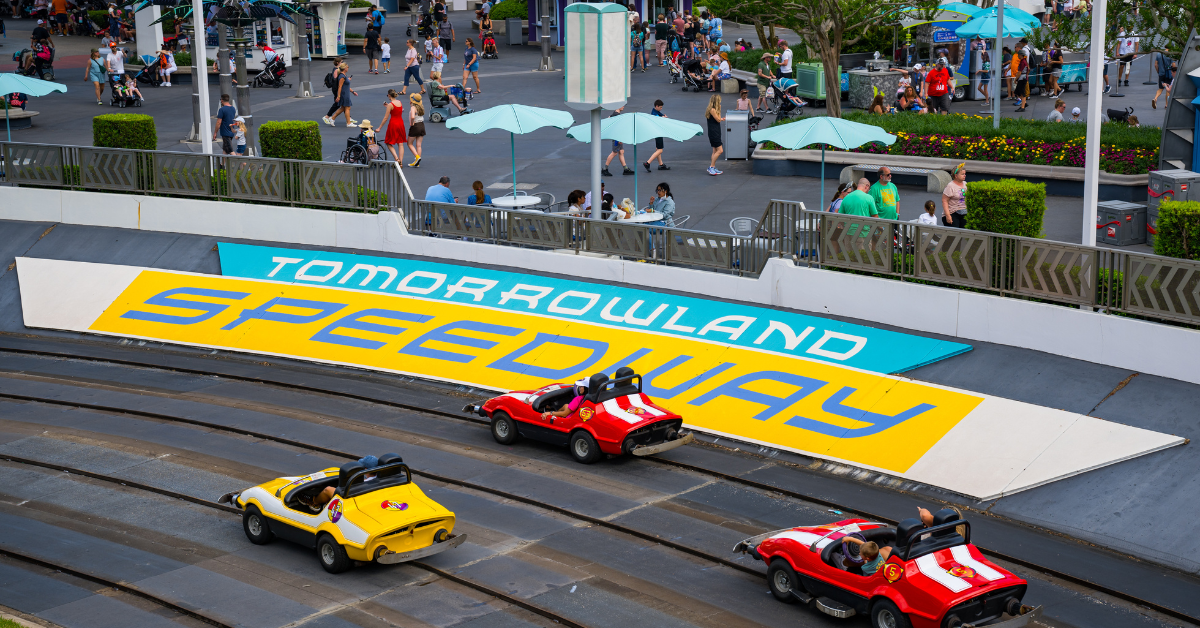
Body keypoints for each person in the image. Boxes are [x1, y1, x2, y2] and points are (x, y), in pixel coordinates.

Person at [602, 106, 632, 176]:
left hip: (616, 136)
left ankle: (625, 169)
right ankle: (605, 169)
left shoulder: (614, 114)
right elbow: (618, 128)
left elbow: (609, 119)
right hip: (616, 137)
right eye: (623, 105)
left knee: (621, 151)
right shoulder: (617, 116)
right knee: (614, 152)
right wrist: (619, 138)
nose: (624, 107)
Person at [380, 89, 408, 163]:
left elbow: (385, 118)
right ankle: (400, 162)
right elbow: (400, 110)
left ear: (389, 95)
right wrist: (388, 107)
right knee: (400, 143)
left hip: (393, 124)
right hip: (400, 123)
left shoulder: (390, 105)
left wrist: (379, 128)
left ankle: (396, 158)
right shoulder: (399, 102)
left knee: (388, 142)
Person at [643, 99, 671, 171]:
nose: (661, 109)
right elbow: (656, 118)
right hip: (658, 132)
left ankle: (661, 164)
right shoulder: (654, 113)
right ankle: (648, 163)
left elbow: (660, 115)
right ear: (656, 106)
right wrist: (663, 118)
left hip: (657, 132)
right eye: (660, 107)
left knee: (657, 149)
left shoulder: (656, 111)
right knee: (660, 150)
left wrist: (663, 116)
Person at [330, 62, 358, 127]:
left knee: (343, 108)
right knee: (347, 107)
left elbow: (346, 86)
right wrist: (338, 96)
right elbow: (340, 87)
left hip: (345, 93)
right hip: (344, 94)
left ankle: (332, 118)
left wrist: (353, 92)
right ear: (345, 68)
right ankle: (348, 123)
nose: (348, 68)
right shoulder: (342, 76)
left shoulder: (344, 76)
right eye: (347, 67)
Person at [942, 163, 968, 228]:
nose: (964, 175)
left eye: (965, 174)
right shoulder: (950, 186)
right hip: (953, 213)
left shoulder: (965, 184)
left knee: (964, 233)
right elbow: (944, 201)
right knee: (955, 235)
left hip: (964, 212)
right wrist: (948, 215)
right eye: (962, 174)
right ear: (956, 176)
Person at [706, 94, 724, 175]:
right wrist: (719, 110)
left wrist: (720, 118)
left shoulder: (711, 109)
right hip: (714, 132)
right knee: (720, 150)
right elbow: (718, 120)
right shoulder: (713, 110)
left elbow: (718, 119)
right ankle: (711, 167)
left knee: (715, 151)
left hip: (714, 131)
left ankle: (713, 167)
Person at [322, 58, 343, 125]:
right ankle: (327, 116)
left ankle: (349, 118)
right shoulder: (336, 70)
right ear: (338, 63)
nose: (342, 63)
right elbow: (336, 80)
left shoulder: (337, 69)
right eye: (341, 62)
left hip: (336, 88)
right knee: (337, 104)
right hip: (336, 89)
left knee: (343, 104)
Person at [408, 93, 426, 167]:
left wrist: (411, 123)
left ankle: (417, 157)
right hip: (422, 125)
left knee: (409, 143)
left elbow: (412, 117)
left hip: (415, 126)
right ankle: (417, 163)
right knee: (419, 145)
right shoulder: (421, 106)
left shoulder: (413, 107)